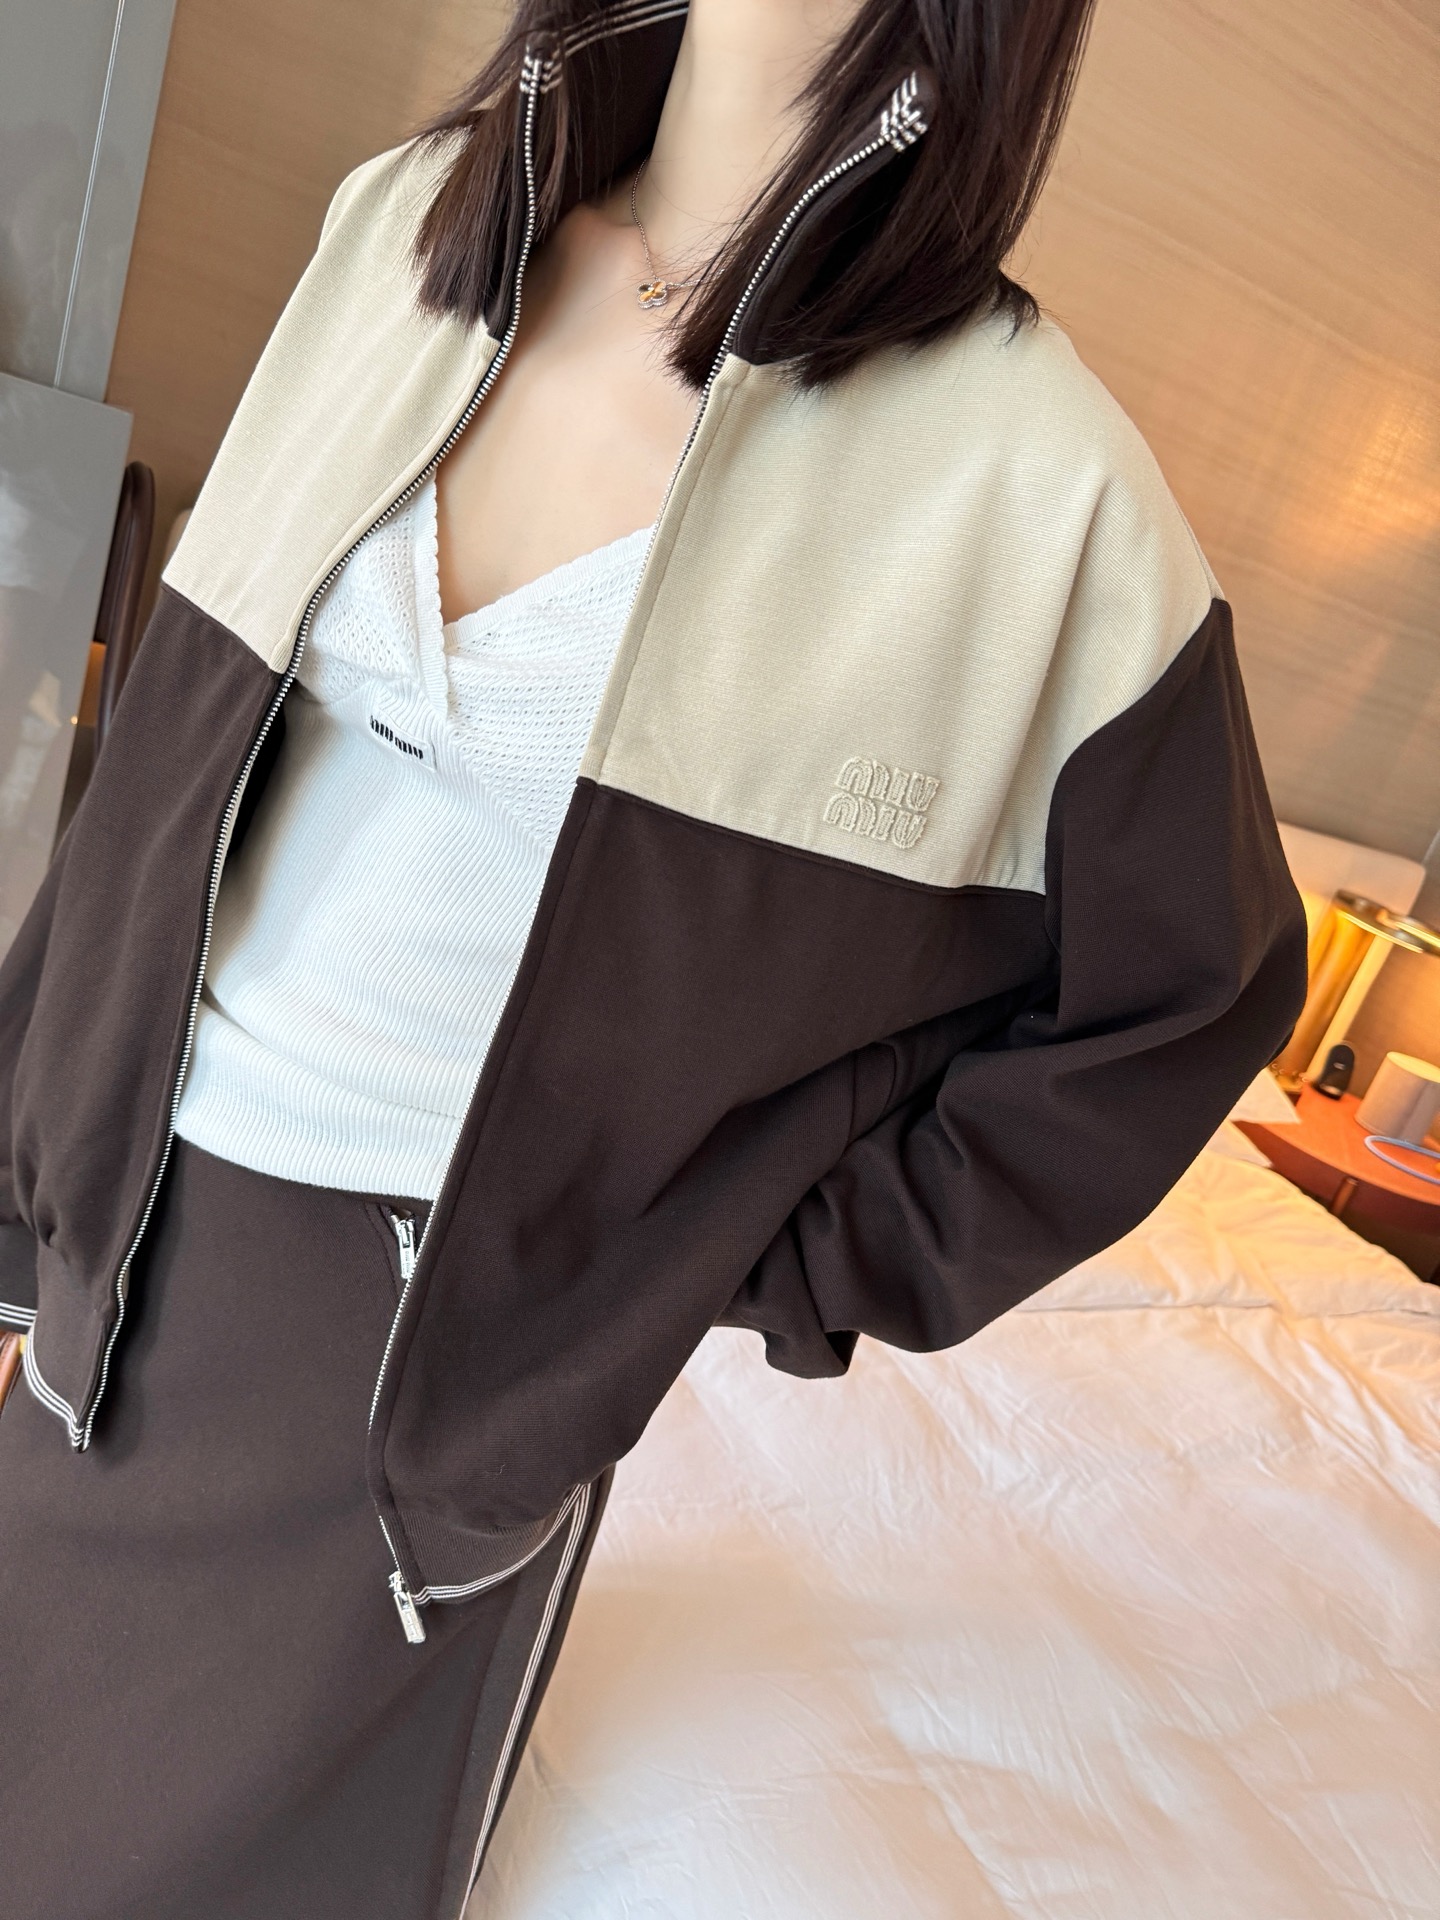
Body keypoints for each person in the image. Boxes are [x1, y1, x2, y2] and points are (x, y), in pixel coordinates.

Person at [0, 1, 1307, 1913]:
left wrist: (747, 1249)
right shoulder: (407, 225)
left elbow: (1198, 992)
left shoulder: (1039, 488)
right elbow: (159, 784)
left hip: (422, 1359)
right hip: (118, 1231)